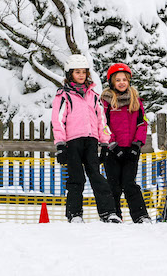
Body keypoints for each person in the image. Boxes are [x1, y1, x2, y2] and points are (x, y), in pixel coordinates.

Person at [51, 54, 121, 223]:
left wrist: (105, 142)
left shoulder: (93, 95)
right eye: (77, 72)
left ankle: (108, 213)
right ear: (70, 74)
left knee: (97, 177)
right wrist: (60, 144)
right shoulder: (64, 95)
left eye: (84, 72)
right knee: (76, 178)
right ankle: (74, 214)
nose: (81, 75)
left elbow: (101, 120)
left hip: (91, 141)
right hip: (72, 142)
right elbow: (58, 120)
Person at [101, 63, 152, 223]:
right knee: (114, 185)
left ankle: (140, 215)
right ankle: (113, 214)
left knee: (129, 183)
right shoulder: (106, 102)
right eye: (118, 80)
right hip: (113, 151)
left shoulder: (135, 101)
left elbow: (142, 123)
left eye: (124, 79)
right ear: (112, 82)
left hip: (131, 151)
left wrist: (137, 144)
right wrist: (112, 144)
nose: (122, 83)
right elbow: (102, 124)